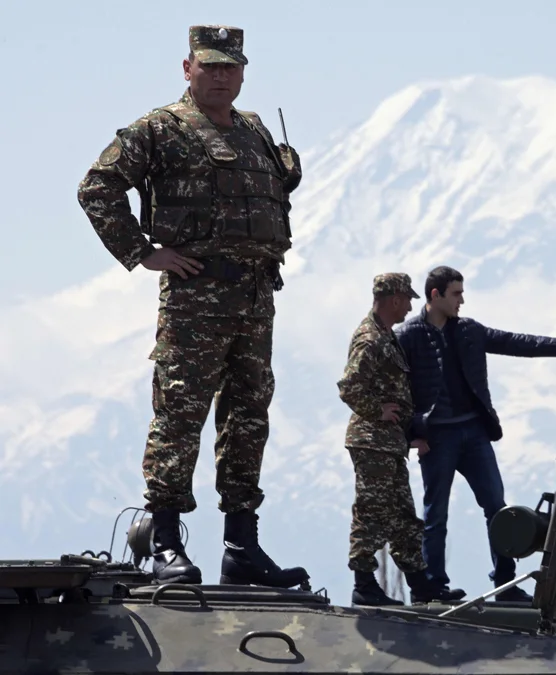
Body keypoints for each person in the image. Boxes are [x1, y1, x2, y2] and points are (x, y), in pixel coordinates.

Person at [76, 25, 309, 587]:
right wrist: (142, 253)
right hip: (196, 296)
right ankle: (165, 543)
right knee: (180, 415)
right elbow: (97, 188)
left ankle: (242, 547)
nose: (221, 75)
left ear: (243, 72)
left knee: (248, 418)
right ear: (188, 68)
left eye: (231, 66)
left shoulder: (253, 129)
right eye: (211, 66)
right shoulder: (160, 129)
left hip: (255, 295)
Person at [394, 266, 556, 602]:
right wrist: (412, 436)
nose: (462, 301)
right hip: (437, 438)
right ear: (435, 295)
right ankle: (433, 588)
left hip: (475, 433)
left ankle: (504, 585)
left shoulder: (469, 330)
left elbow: (517, 342)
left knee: (498, 508)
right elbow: (394, 390)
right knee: (436, 514)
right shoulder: (407, 336)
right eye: (456, 294)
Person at [336, 273, 467, 606]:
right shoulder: (371, 339)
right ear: (394, 299)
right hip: (372, 442)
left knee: (403, 516)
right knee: (372, 512)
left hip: (388, 443)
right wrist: (377, 411)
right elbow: (349, 387)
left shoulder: (385, 336)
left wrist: (407, 432)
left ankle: (421, 585)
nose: (410, 307)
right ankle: (364, 585)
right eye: (407, 299)